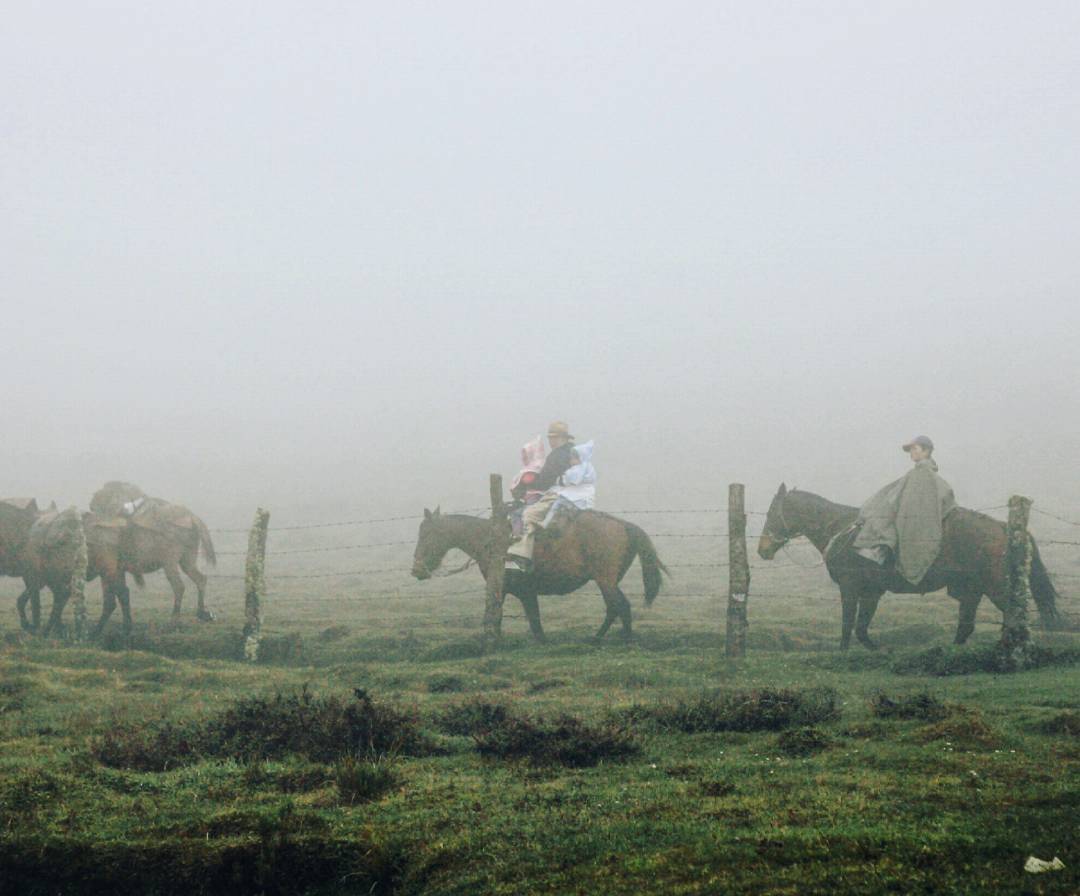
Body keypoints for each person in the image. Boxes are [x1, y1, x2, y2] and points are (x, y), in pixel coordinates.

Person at [852, 435, 956, 585]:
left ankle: (882, 550)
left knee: (884, 518)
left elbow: (923, 499)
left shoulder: (924, 473)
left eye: (915, 449)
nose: (911, 453)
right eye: (910, 450)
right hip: (907, 511)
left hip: (916, 518)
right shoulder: (917, 472)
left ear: (926, 451)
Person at [506, 421, 584, 572]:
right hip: (577, 496)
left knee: (527, 515)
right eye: (550, 438)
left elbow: (545, 482)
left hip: (559, 495)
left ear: (563, 438)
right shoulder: (574, 453)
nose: (551, 441)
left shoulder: (557, 455)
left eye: (554, 438)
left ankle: (520, 558)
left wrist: (526, 486)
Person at [509, 436, 547, 506]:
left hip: (534, 496)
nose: (523, 457)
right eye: (523, 455)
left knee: (527, 510)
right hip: (527, 496)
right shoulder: (529, 467)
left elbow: (528, 480)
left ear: (531, 454)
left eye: (525, 455)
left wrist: (521, 478)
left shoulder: (536, 467)